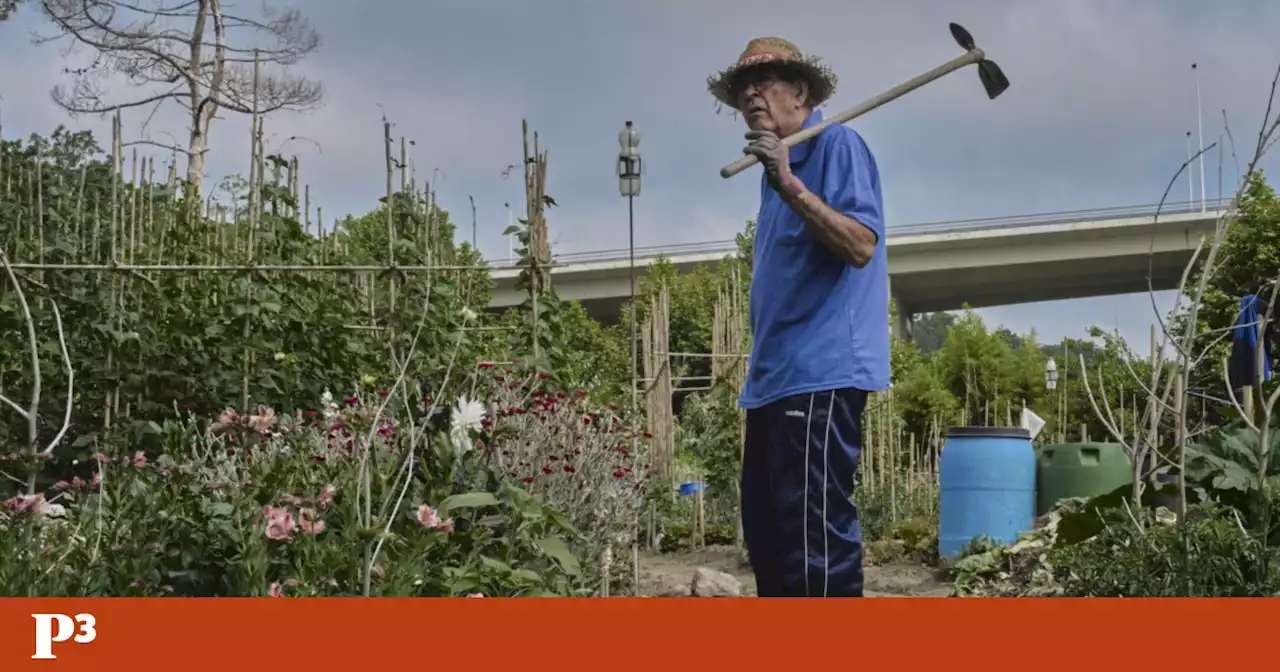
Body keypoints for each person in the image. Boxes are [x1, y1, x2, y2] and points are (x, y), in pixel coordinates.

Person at [707, 37, 889, 597]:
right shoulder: (773, 172)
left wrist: (792, 184)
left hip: (821, 376)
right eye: (743, 88)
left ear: (802, 91)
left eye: (766, 81)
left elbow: (860, 244)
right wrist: (780, 179)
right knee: (771, 539)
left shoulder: (837, 146)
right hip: (773, 384)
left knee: (815, 543)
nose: (751, 94)